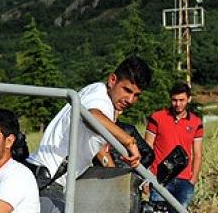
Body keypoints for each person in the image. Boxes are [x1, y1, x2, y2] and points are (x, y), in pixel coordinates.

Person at [26, 56, 152, 186]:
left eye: (136, 95)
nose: (130, 100)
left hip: (41, 172)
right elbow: (92, 117)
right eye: (127, 90)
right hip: (49, 179)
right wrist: (129, 141)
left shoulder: (95, 89)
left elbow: (96, 143)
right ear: (112, 80)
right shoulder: (102, 102)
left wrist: (114, 177)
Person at [143, 82, 203, 213]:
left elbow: (197, 154)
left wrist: (193, 180)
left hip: (184, 180)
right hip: (160, 179)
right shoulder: (157, 117)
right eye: (174, 100)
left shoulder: (196, 122)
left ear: (188, 99)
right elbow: (147, 148)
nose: (177, 104)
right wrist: (147, 176)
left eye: (181, 100)